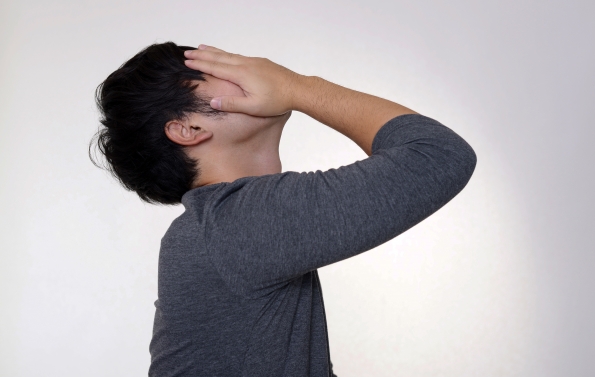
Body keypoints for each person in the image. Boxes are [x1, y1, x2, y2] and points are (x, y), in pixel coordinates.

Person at [91, 41, 477, 377]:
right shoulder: (236, 220)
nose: (247, 69)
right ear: (188, 129)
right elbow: (438, 155)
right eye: (215, 71)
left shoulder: (219, 222)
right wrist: (296, 86)